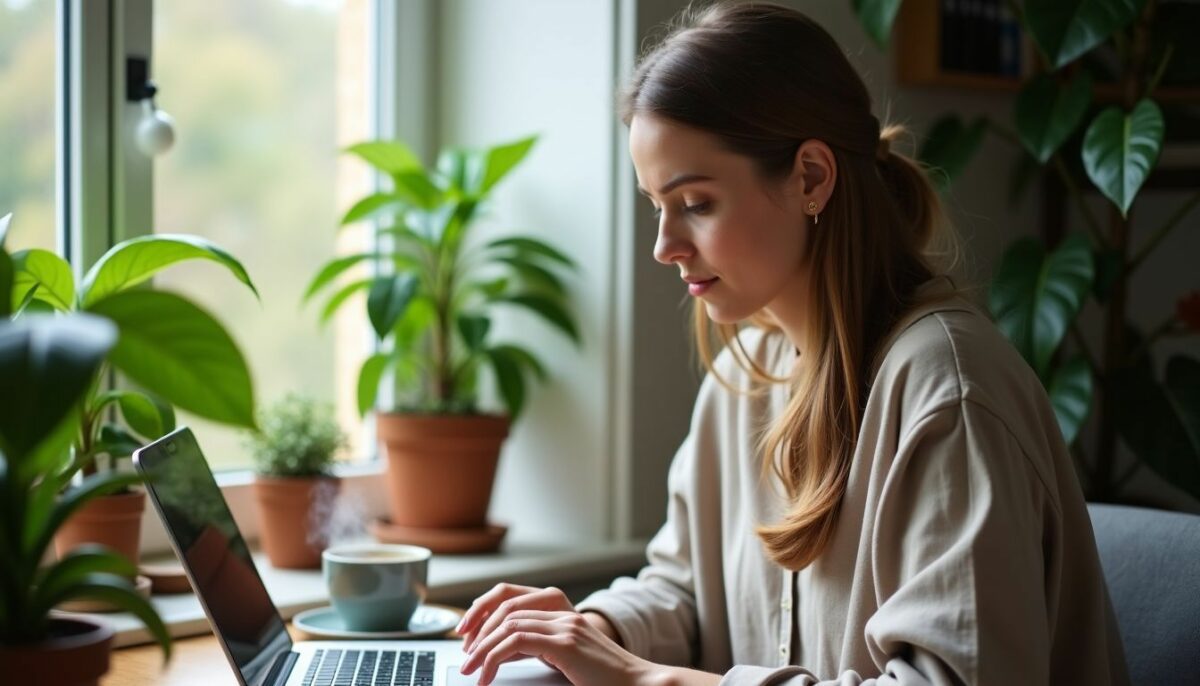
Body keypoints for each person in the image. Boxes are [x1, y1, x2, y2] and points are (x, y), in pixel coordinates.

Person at [455, 3, 1129, 685]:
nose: (665, 246)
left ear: (810, 177)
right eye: (657, 205)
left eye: (695, 202)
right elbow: (686, 590)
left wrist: (644, 679)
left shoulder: (947, 392)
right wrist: (590, 630)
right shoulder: (742, 381)